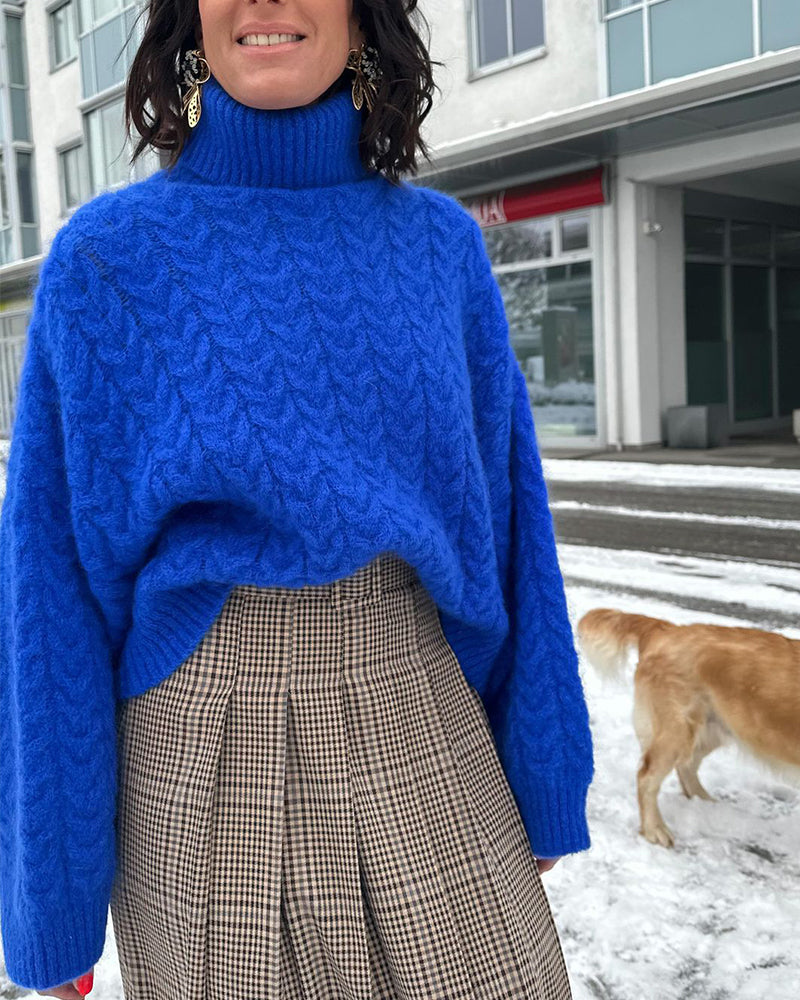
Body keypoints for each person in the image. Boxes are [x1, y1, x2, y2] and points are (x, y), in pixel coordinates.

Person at [0, 0, 595, 997]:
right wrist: (52, 898)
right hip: (198, 745)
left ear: (365, 21)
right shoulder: (104, 262)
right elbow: (47, 595)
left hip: (423, 715)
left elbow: (506, 525)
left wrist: (539, 767)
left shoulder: (440, 249)